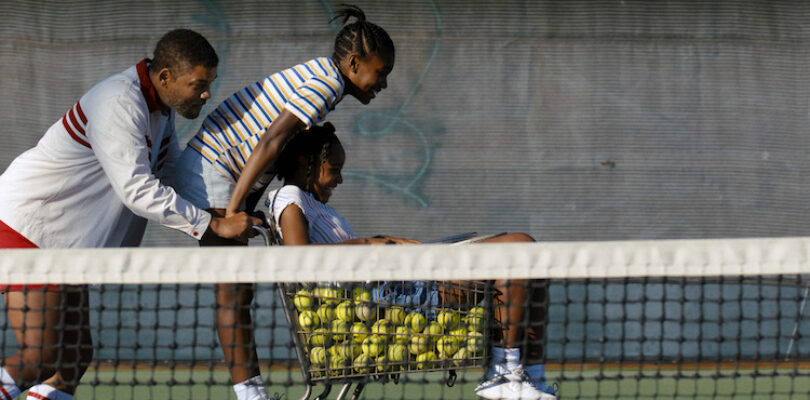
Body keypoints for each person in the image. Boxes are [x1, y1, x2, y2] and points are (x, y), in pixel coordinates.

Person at [0, 29, 260, 400]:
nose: (206, 94)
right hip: (28, 228)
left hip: (63, 245)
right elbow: (137, 190)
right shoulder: (118, 101)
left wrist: (221, 214)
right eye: (198, 84)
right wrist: (212, 224)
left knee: (74, 358)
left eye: (209, 84)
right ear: (166, 77)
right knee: (44, 355)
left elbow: (170, 178)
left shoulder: (161, 113)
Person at [171, 5, 395, 400]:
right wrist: (235, 209)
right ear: (355, 63)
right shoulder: (325, 84)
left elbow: (278, 149)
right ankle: (251, 394)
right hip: (213, 172)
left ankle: (251, 392)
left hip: (226, 174)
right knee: (233, 290)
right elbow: (270, 141)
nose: (384, 84)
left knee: (238, 291)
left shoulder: (324, 79)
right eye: (381, 73)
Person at [265, 123, 558, 400]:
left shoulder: (310, 201)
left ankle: (530, 377)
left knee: (527, 253)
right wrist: (372, 243)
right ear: (307, 164)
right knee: (519, 249)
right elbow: (299, 260)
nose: (339, 180)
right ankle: (503, 374)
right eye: (334, 170)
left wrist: (385, 240)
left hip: (401, 284)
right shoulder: (288, 197)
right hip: (394, 297)